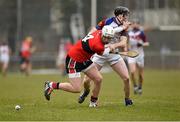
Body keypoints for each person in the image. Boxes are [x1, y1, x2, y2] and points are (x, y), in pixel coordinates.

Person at [44, 26, 132, 107]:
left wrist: (122, 28)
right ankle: (51, 85)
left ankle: (93, 102)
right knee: (76, 88)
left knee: (98, 79)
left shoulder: (99, 32)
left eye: (109, 38)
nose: (107, 39)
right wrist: (111, 48)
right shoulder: (97, 45)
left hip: (84, 59)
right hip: (73, 60)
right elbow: (103, 51)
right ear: (103, 34)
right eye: (106, 37)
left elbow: (106, 43)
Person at [78, 6, 133, 107]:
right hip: (99, 54)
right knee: (86, 81)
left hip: (113, 55)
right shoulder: (107, 22)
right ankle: (86, 91)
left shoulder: (124, 28)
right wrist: (88, 39)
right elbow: (94, 31)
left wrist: (114, 45)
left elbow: (124, 42)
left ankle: (127, 99)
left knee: (126, 78)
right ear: (119, 16)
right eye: (125, 15)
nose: (126, 17)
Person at [127, 19, 149, 94]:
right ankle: (135, 86)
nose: (135, 24)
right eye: (133, 23)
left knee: (140, 74)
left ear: (139, 25)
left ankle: (140, 87)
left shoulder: (141, 33)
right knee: (132, 72)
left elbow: (147, 43)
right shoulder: (128, 33)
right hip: (131, 54)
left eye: (136, 23)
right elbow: (126, 43)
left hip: (140, 55)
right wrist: (127, 47)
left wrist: (141, 44)